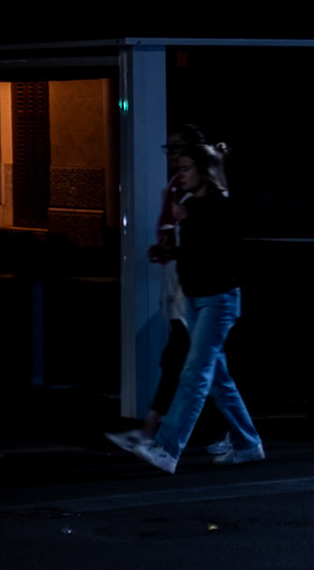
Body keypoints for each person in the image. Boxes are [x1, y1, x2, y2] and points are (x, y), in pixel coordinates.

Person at [109, 141, 263, 473]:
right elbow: (193, 252)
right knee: (218, 378)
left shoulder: (219, 207)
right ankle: (248, 443)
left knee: (195, 374)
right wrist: (173, 245)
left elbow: (221, 252)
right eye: (178, 169)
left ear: (203, 170)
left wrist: (188, 225)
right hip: (196, 297)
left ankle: (167, 448)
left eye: (185, 169)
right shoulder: (191, 204)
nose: (179, 176)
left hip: (218, 299)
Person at [137, 124, 206, 442]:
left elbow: (202, 244)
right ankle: (235, 434)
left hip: (198, 287)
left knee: (184, 357)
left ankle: (157, 431)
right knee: (199, 363)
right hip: (181, 280)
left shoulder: (203, 197)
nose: (176, 163)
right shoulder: (177, 189)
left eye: (182, 156)